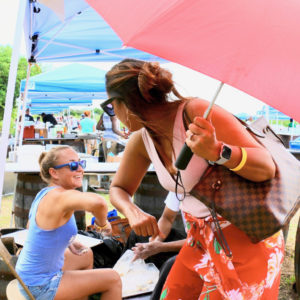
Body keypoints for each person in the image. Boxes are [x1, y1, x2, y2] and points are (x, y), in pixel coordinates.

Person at [104, 59, 284, 299]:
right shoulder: (142, 139)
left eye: (109, 106)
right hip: (200, 240)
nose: (112, 114)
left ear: (123, 104)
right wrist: (132, 210)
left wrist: (218, 151)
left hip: (245, 238)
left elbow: (266, 167)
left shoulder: (195, 113)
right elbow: (119, 188)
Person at [15, 146, 122, 300]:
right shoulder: (59, 197)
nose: (79, 169)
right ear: (54, 173)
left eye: (81, 163)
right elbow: (98, 203)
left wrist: (68, 241)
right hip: (39, 286)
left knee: (86, 255)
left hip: (28, 276)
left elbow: (32, 227)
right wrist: (103, 225)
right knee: (113, 279)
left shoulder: (46, 193)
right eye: (73, 165)